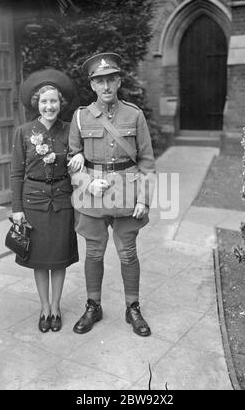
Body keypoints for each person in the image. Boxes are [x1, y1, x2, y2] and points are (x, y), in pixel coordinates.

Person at [68, 53, 156, 337]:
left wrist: (144, 199)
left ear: (119, 81)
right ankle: (93, 305)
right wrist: (85, 183)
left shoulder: (134, 114)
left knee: (128, 253)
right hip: (93, 195)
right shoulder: (81, 117)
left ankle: (133, 308)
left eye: (110, 79)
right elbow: (72, 160)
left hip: (128, 193)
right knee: (94, 253)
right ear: (92, 85)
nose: (105, 86)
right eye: (99, 81)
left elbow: (147, 162)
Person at [11, 69, 79, 333]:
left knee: (59, 257)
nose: (49, 106)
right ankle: (44, 308)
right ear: (36, 104)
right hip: (34, 203)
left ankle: (57, 306)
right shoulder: (24, 132)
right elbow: (16, 172)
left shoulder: (70, 130)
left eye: (53, 101)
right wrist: (17, 209)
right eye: (44, 102)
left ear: (60, 103)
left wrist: (80, 157)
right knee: (39, 259)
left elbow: (80, 156)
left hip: (62, 202)